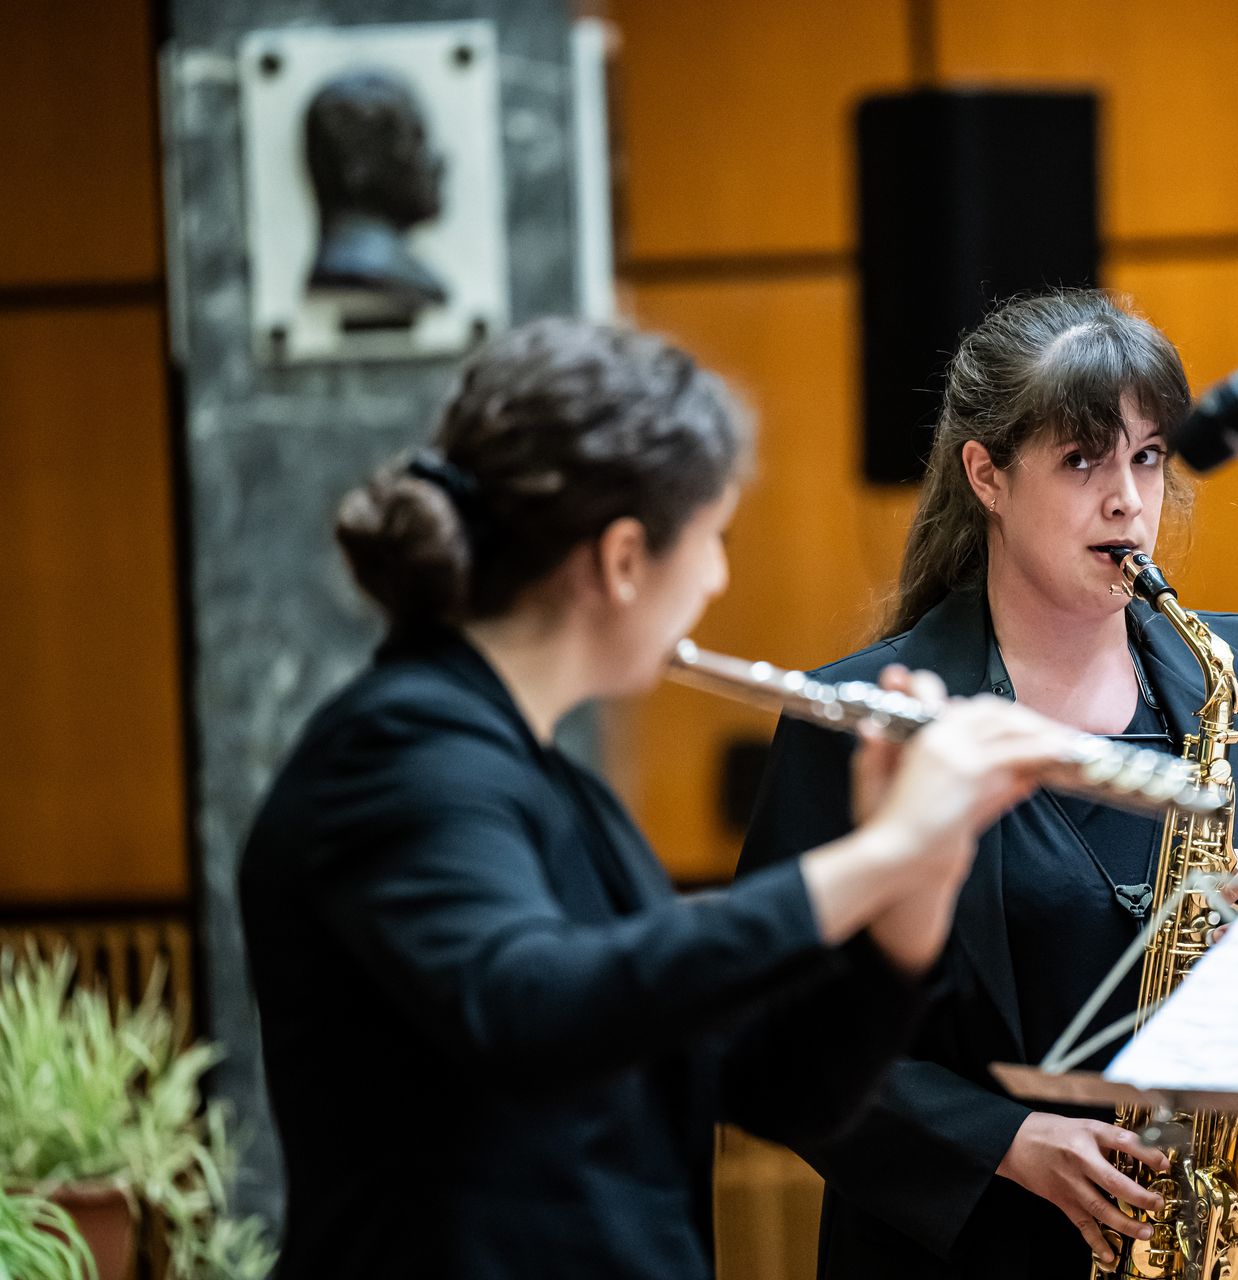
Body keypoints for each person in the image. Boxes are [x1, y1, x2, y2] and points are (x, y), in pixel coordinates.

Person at [239, 318, 1076, 1280]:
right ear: (624, 559)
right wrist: (879, 853)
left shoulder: (552, 787)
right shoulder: (398, 755)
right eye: (714, 539)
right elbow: (530, 1007)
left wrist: (911, 902)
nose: (718, 578)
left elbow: (779, 1090)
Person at [737, 290, 1238, 1279]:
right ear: (986, 473)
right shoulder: (859, 718)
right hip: (984, 1249)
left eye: (1147, 457)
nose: (1128, 500)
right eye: (1081, 461)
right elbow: (774, 1037)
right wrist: (1004, 1139)